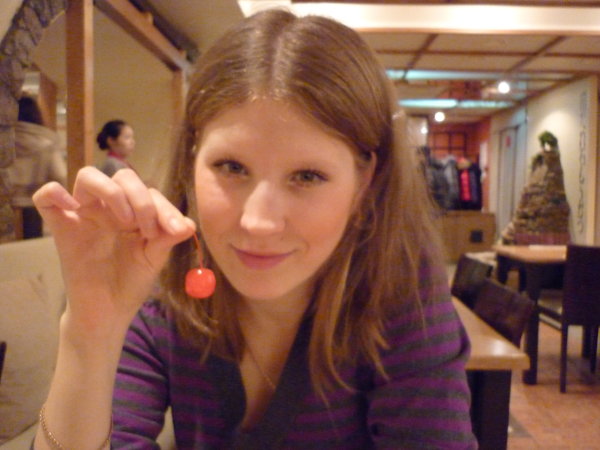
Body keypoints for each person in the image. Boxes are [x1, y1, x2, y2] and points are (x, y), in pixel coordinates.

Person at [32, 9, 476, 449]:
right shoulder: (153, 279)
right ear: (191, 163)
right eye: (232, 167)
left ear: (363, 183)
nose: (259, 223)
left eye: (307, 176)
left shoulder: (399, 292)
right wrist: (90, 332)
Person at [8, 95, 66, 238]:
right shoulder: (47, 143)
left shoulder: (4, 141)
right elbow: (60, 176)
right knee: (29, 248)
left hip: (4, 206)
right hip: (32, 207)